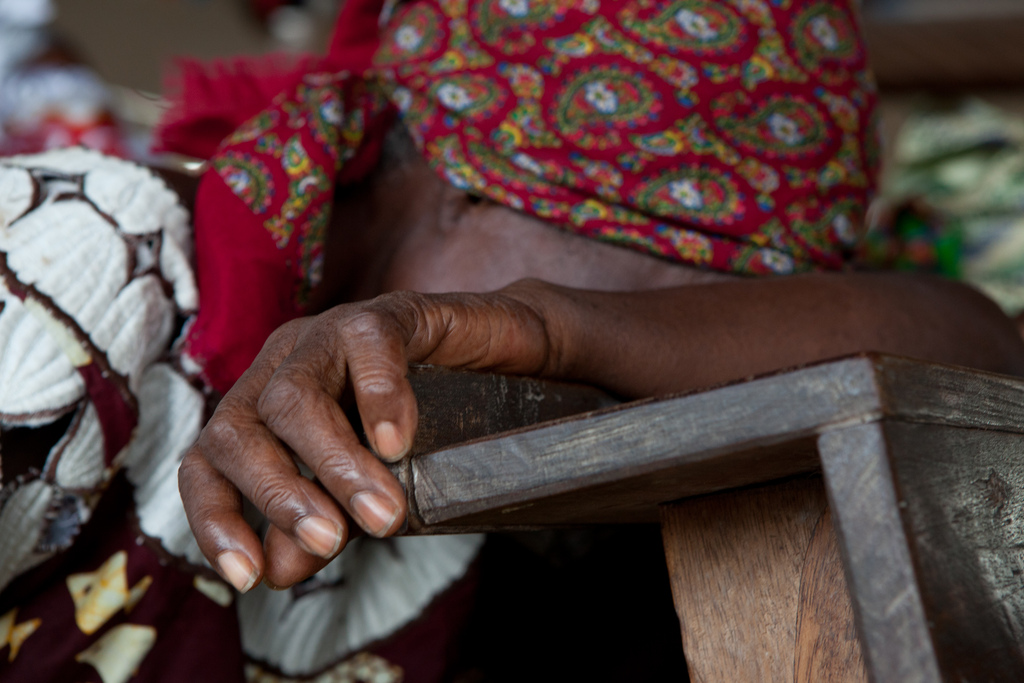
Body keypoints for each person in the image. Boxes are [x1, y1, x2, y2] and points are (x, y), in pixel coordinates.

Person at [3, 0, 1024, 681]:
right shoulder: (61, 273)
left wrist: (557, 322)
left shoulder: (511, 491)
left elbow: (972, 337)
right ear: (441, 181)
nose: (621, 375)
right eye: (610, 276)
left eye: (692, 324)